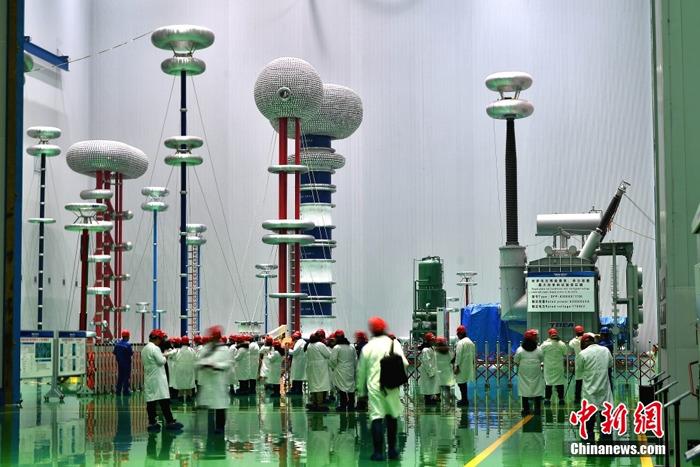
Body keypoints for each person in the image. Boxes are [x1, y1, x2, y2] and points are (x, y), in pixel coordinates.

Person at [356, 317, 408, 461]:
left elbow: (361, 372)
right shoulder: (394, 343)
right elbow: (405, 363)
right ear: (385, 328)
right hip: (391, 385)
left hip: (375, 387)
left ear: (371, 330)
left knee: (377, 417)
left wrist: (361, 392)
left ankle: (378, 453)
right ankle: (392, 450)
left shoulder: (367, 347)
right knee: (392, 415)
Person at [141, 330, 183, 432]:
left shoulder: (145, 349)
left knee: (151, 401)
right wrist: (166, 355)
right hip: (158, 378)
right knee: (164, 401)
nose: (161, 341)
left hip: (149, 378)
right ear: (157, 339)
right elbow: (161, 361)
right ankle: (170, 421)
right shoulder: (155, 348)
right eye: (160, 339)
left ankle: (152, 422)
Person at [576, 333, 614, 442]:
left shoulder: (582, 354)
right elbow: (610, 364)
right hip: (604, 389)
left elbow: (579, 370)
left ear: (583, 344)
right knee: (605, 415)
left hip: (589, 390)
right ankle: (606, 438)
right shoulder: (605, 350)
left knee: (589, 416)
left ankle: (589, 437)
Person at [196, 326, 232, 434]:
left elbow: (229, 363)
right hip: (209, 381)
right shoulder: (206, 348)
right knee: (210, 405)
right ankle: (210, 427)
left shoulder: (224, 349)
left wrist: (216, 366)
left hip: (219, 380)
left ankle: (220, 427)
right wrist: (204, 364)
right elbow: (198, 361)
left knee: (220, 406)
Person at [514, 329, 544, 416]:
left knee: (524, 388)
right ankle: (537, 409)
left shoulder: (520, 350)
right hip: (536, 371)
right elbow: (542, 359)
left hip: (524, 371)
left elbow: (516, 360)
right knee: (537, 387)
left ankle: (525, 409)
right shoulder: (539, 349)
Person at [329, 330, 357, 411]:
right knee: (351, 388)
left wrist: (333, 367)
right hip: (350, 370)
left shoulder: (337, 348)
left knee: (341, 388)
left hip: (340, 370)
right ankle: (351, 405)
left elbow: (333, 360)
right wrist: (354, 368)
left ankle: (343, 405)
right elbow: (355, 359)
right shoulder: (351, 347)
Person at [305, 329, 332, 411]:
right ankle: (320, 404)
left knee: (314, 385)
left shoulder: (309, 345)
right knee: (320, 385)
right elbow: (328, 355)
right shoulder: (320, 345)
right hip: (320, 368)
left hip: (311, 367)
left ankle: (314, 402)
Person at [540, 328, 568, 406]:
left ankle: (547, 399)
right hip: (559, 367)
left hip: (548, 367)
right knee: (560, 383)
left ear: (549, 335)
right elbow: (565, 352)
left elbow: (540, 353)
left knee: (548, 383)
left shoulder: (545, 344)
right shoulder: (561, 344)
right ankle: (561, 399)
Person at [453, 325, 475, 407]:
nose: (457, 336)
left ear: (461, 334)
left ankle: (464, 400)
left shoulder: (461, 343)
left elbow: (458, 355)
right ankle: (465, 399)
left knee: (461, 384)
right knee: (464, 383)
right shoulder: (470, 342)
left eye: (458, 334)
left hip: (461, 366)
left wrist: (457, 366)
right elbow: (473, 356)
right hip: (468, 366)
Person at [171, 335, 196, 403]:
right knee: (189, 384)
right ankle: (189, 398)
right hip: (189, 370)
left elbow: (173, 358)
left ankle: (180, 397)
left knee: (180, 384)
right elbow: (195, 358)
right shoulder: (192, 350)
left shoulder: (178, 351)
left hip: (180, 371)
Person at [418, 332, 440, 406]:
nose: (434, 341)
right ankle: (428, 401)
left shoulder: (431, 348)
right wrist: (430, 372)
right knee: (427, 388)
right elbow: (426, 362)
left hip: (432, 371)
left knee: (431, 387)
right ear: (428, 341)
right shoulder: (425, 350)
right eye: (432, 340)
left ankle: (431, 399)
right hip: (427, 372)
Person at [434, 336, 455, 404]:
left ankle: (438, 398)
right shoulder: (448, 351)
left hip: (438, 371)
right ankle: (448, 399)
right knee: (447, 386)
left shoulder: (435, 351)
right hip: (447, 371)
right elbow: (452, 359)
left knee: (437, 386)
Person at [113, 330, 133, 396]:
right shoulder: (128, 345)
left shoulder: (117, 344)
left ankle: (118, 391)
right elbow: (131, 353)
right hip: (127, 364)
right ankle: (126, 391)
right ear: (127, 337)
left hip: (120, 364)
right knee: (126, 377)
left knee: (120, 377)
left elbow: (114, 352)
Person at [569, 325, 585, 404]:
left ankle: (577, 399)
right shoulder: (586, 339)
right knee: (588, 381)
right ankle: (588, 398)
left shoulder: (574, 341)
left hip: (578, 362)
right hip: (587, 361)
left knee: (578, 382)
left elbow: (570, 344)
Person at [354, 331, 369, 411]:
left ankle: (361, 405)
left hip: (363, 368)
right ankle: (364, 404)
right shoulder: (367, 345)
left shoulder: (360, 346)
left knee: (361, 387)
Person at [287, 331, 306, 395]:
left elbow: (294, 352)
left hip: (298, 362)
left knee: (297, 376)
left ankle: (297, 390)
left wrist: (287, 349)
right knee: (297, 376)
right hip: (299, 362)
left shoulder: (299, 342)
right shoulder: (302, 342)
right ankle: (295, 389)